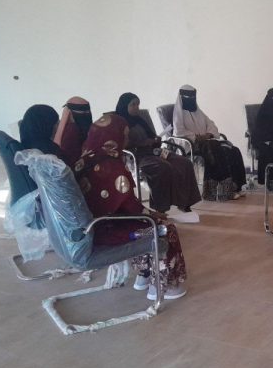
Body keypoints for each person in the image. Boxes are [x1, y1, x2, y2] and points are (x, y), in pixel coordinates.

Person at [74, 114, 188, 300]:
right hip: (105, 228)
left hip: (92, 226)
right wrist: (154, 215)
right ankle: (162, 285)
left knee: (143, 223)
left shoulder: (85, 158)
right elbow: (132, 208)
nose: (127, 139)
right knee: (164, 229)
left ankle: (144, 276)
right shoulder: (111, 166)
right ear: (112, 139)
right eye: (124, 135)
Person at [114, 92, 201, 214]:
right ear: (124, 106)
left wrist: (156, 140)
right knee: (163, 167)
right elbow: (121, 145)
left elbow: (152, 137)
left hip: (154, 152)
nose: (136, 107)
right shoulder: (119, 123)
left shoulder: (140, 120)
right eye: (133, 105)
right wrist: (142, 143)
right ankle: (161, 207)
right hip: (137, 157)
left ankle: (185, 203)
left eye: (138, 104)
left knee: (184, 162)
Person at [172, 84, 247, 200]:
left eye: (192, 96)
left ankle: (236, 186)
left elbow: (211, 124)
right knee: (215, 149)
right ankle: (223, 191)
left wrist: (209, 134)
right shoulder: (178, 114)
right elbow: (178, 132)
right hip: (191, 146)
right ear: (181, 97)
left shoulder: (198, 112)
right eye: (187, 97)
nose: (190, 99)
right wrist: (196, 137)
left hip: (207, 142)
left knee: (233, 150)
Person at [53, 97, 92, 164]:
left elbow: (57, 151)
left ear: (69, 112)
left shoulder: (71, 131)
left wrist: (63, 120)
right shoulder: (93, 129)